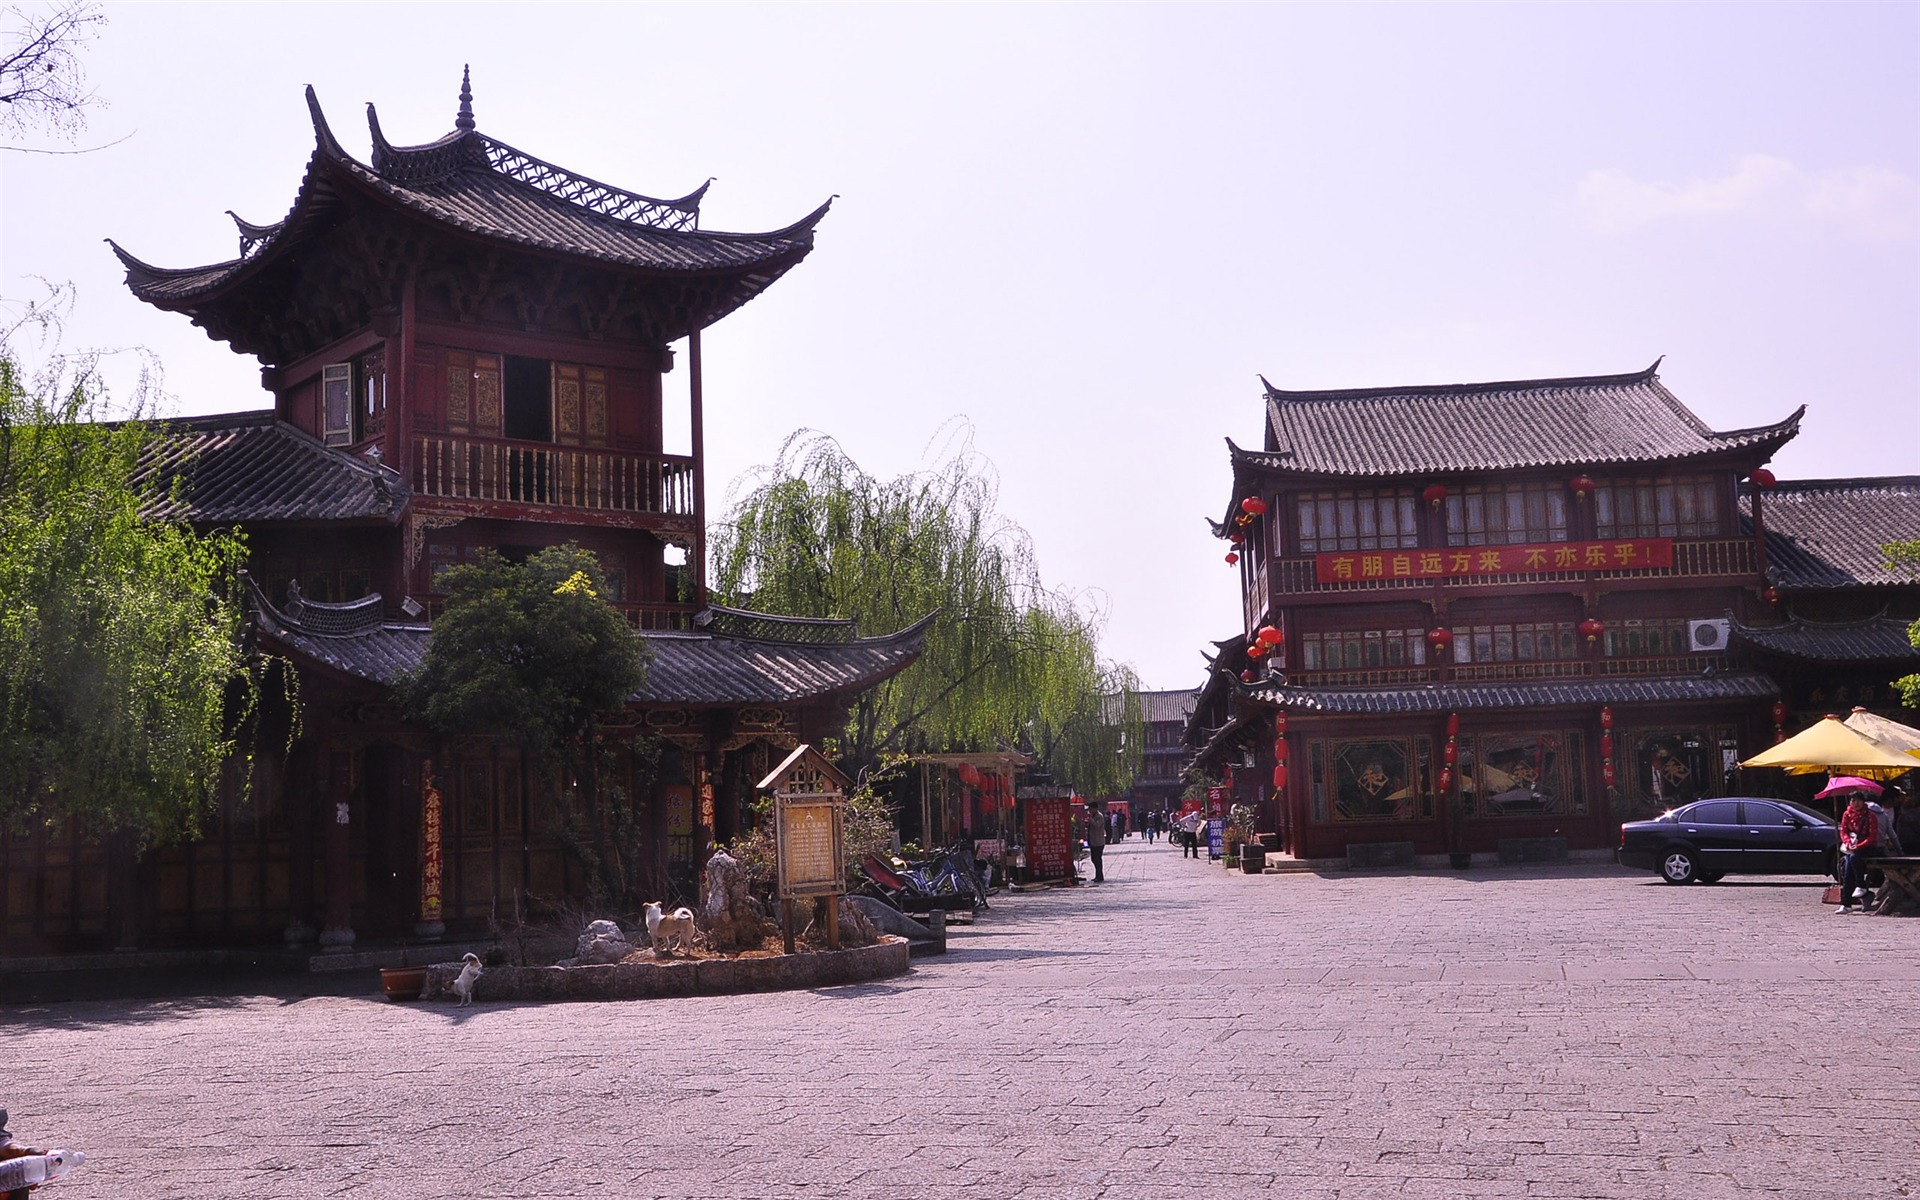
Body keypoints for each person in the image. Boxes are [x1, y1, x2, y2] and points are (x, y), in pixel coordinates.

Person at [1835, 790, 1882, 914]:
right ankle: (1847, 903)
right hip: (1852, 847)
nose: (1856, 803)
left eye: (1858, 800)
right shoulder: (1847, 814)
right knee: (1847, 868)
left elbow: (1872, 836)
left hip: (1868, 847)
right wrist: (1848, 842)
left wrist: (1859, 846)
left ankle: (1860, 886)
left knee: (1853, 858)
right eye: (1853, 800)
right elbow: (1843, 831)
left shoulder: (1870, 816)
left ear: (1863, 801)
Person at [1086, 803, 1108, 883]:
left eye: (1091, 809)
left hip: (1098, 841)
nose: (1089, 810)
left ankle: (1100, 876)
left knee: (1097, 859)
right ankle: (1097, 875)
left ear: (1095, 808)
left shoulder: (1099, 816)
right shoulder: (1094, 816)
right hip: (1093, 841)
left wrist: (1090, 819)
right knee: (1094, 858)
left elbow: (1096, 826)